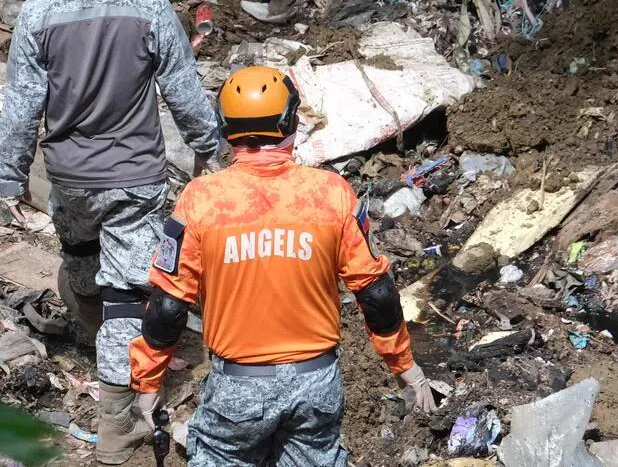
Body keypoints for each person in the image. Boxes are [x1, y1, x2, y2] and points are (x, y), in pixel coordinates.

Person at [0, 0, 218, 465]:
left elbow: (21, 108)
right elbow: (184, 93)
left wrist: (11, 176)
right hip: (134, 181)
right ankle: (120, 436)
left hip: (69, 179)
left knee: (79, 260)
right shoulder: (149, 7)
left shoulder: (38, 16)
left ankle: (91, 339)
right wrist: (208, 146)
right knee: (128, 297)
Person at [128, 66, 435, 466]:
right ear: (290, 120)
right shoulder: (331, 194)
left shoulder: (202, 200)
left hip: (239, 388)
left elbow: (168, 305)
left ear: (225, 127)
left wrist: (148, 382)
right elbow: (376, 293)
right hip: (317, 384)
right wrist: (405, 367)